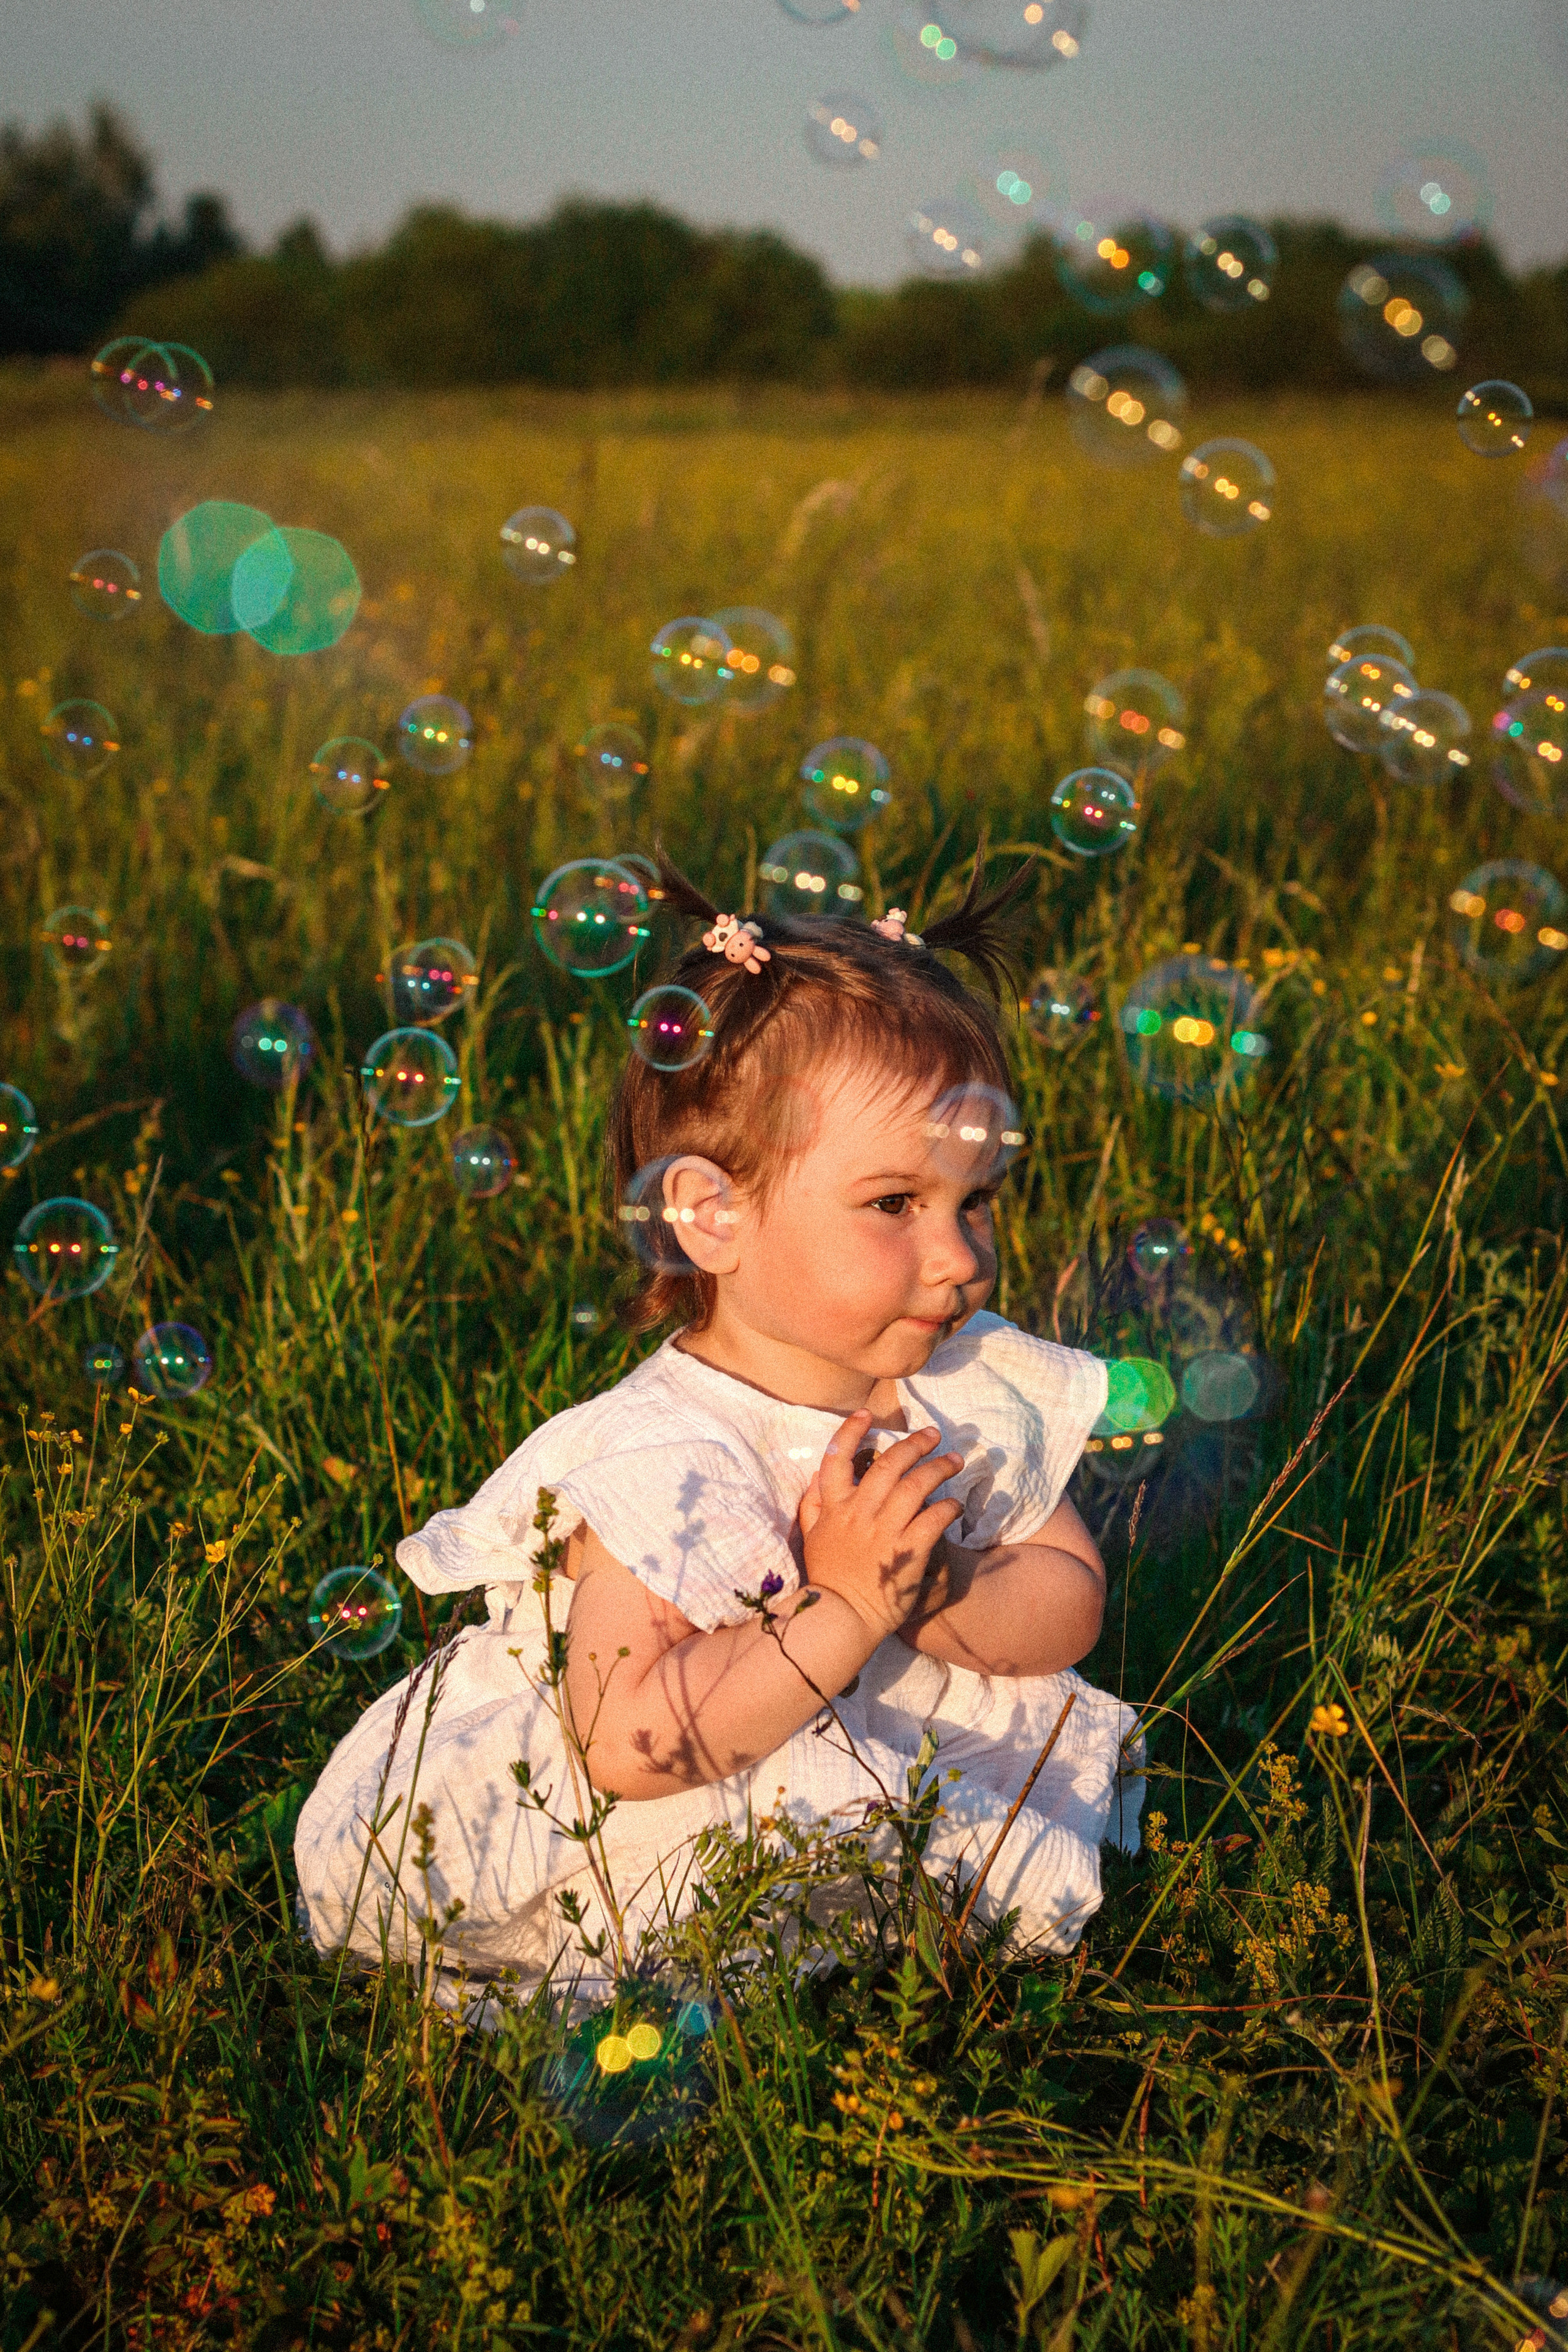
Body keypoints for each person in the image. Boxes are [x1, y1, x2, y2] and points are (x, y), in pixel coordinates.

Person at [294, 856, 1144, 2014]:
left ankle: (883, 1945)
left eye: (974, 1200)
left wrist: (934, 1584)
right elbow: (631, 1741)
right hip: (700, 1786)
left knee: (898, 1868)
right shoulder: (665, 1459)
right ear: (712, 1215)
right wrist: (843, 1612)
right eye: (896, 1205)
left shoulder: (963, 1383)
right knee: (695, 1895)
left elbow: (1068, 1598)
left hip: (884, 1759)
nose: (958, 1258)